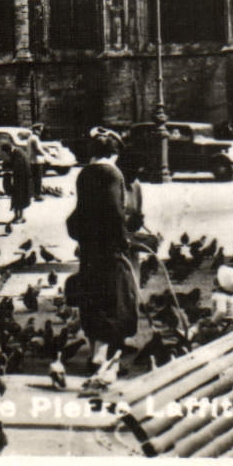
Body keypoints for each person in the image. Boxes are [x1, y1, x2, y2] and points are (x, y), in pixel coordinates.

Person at [65, 127, 141, 375]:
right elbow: (114, 212)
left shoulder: (84, 174)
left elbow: (79, 213)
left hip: (89, 247)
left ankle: (101, 350)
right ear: (113, 152)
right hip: (108, 249)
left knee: (92, 297)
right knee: (114, 298)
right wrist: (123, 240)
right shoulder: (112, 173)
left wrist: (81, 235)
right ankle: (99, 357)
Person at [2, 144, 33, 222]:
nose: (7, 154)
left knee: (20, 198)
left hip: (22, 180)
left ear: (10, 149)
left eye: (7, 152)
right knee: (17, 197)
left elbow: (18, 166)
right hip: (20, 179)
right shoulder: (17, 152)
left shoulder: (18, 154)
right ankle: (17, 216)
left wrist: (8, 168)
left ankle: (20, 217)